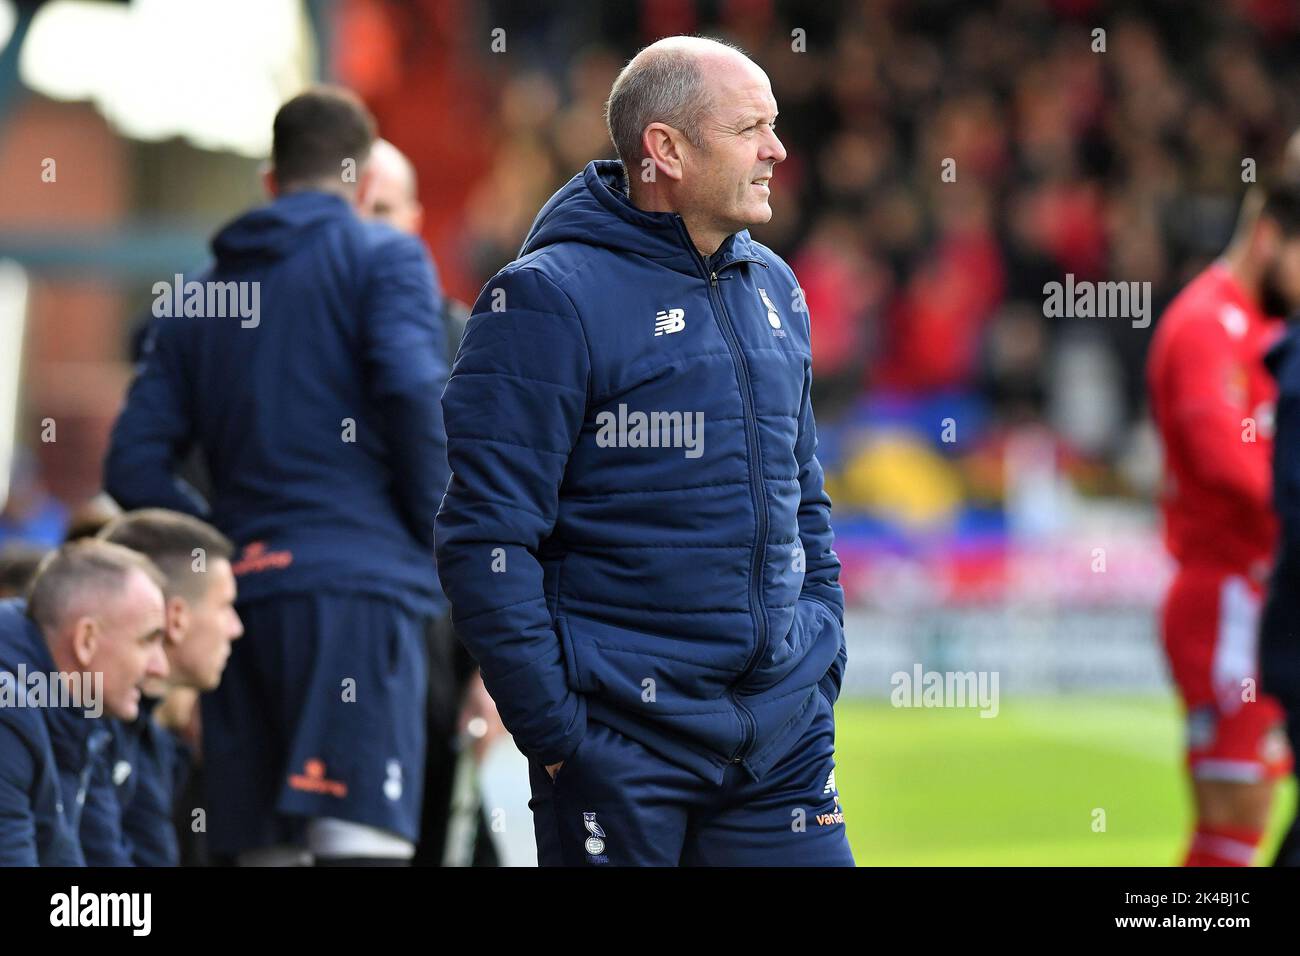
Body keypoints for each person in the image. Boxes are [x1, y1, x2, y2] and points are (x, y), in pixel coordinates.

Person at [435, 36, 851, 866]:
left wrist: (820, 650)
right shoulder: (544, 299)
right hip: (622, 754)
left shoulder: (775, 286)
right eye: (750, 129)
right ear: (664, 149)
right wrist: (562, 737)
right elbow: (484, 538)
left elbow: (806, 498)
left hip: (782, 746)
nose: (777, 150)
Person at [104, 86, 450, 866]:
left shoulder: (197, 295)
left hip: (243, 613)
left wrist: (221, 552)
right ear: (363, 184)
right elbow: (410, 390)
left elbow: (130, 464)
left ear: (269, 181)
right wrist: (438, 528)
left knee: (260, 852)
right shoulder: (385, 254)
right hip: (360, 599)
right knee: (359, 845)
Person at [357, 137, 502, 866]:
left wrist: (496, 669)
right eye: (354, 210)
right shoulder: (258, 335)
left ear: (415, 217)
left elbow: (514, 510)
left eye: (384, 209)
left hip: (436, 665)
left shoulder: (472, 344)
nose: (369, 228)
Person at [1148, 180, 1300, 866]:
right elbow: (1221, 459)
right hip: (1227, 597)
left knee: (1245, 818)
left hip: (1265, 593)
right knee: (1237, 817)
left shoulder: (1266, 323)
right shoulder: (1207, 322)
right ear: (1269, 236)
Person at [0, 540, 168, 865]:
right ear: (86, 640)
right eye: (148, 640)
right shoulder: (7, 715)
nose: (159, 667)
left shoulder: (81, 715)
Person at [95, 509, 243, 866]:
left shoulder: (153, 742)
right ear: (176, 619)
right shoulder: (89, 731)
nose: (235, 627)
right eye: (225, 607)